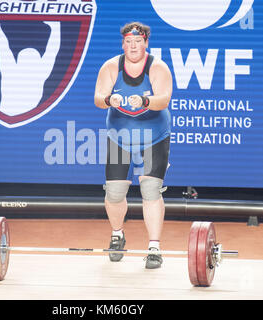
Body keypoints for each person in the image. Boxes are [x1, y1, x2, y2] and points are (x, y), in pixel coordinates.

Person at [94, 22, 172, 269]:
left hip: (154, 136)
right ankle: (117, 234)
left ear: (146, 43)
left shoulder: (158, 67)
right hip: (120, 137)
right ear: (123, 44)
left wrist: (146, 100)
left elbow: (164, 100)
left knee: (150, 190)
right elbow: (98, 98)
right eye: (128, 42)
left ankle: (154, 247)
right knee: (114, 192)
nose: (133, 46)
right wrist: (109, 99)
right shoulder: (110, 67)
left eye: (137, 42)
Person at [0, 20, 60, 116]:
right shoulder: (39, 73)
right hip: (10, 113)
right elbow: (52, 51)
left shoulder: (11, 70)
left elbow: (3, 47)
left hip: (15, 115)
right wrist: (56, 28)